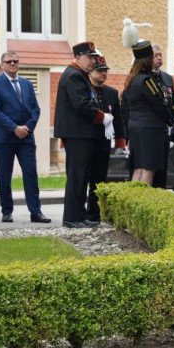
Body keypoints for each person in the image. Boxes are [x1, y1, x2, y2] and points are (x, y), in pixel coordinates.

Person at [0, 51, 50, 224]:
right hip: (4, 138)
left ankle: (36, 212)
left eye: (15, 61)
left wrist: (27, 127)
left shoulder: (27, 84)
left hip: (26, 138)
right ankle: (7, 212)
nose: (12, 63)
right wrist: (14, 128)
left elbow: (36, 109)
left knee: (30, 174)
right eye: (9, 61)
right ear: (2, 65)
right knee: (4, 176)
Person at [55, 41, 114, 228]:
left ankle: (79, 216)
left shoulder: (79, 75)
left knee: (82, 175)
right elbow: (81, 104)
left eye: (94, 58)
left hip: (82, 133)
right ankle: (72, 217)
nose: (93, 62)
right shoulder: (74, 76)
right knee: (77, 176)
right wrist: (102, 116)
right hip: (77, 134)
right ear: (78, 57)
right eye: (90, 58)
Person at [121, 41, 172, 186]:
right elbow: (159, 104)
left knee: (138, 169)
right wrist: (170, 121)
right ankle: (142, 205)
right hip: (150, 129)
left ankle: (132, 205)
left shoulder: (132, 79)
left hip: (136, 128)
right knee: (148, 170)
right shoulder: (147, 80)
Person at [85, 55, 126, 224]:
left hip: (103, 142)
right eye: (99, 71)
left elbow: (118, 118)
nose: (103, 74)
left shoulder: (111, 92)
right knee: (83, 178)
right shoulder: (85, 89)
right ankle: (79, 213)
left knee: (99, 180)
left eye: (105, 71)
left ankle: (94, 215)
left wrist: (121, 140)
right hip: (86, 141)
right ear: (90, 73)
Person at [151, 44, 174, 189]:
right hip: (151, 129)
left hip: (165, 131)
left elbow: (172, 102)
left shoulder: (167, 78)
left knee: (163, 171)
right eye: (156, 55)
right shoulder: (146, 78)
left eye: (161, 55)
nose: (160, 58)